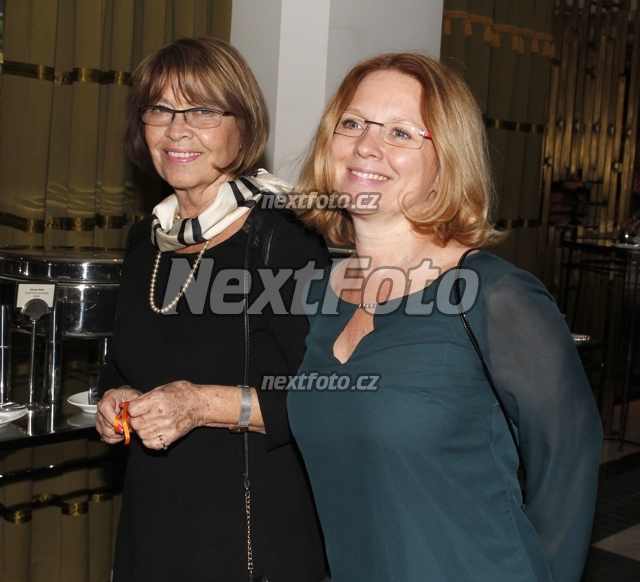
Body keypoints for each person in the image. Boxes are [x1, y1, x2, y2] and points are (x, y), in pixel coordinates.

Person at [286, 53, 603, 582]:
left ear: (445, 163)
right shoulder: (322, 293)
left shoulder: (494, 295)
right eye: (353, 123)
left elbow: (569, 458)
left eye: (401, 133)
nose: (367, 145)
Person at [95, 36, 328, 582]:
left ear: (242, 127)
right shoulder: (144, 241)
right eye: (160, 109)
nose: (178, 130)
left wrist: (201, 405)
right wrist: (115, 396)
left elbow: (327, 399)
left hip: (252, 536)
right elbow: (123, 363)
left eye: (202, 110)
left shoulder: (282, 240)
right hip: (153, 526)